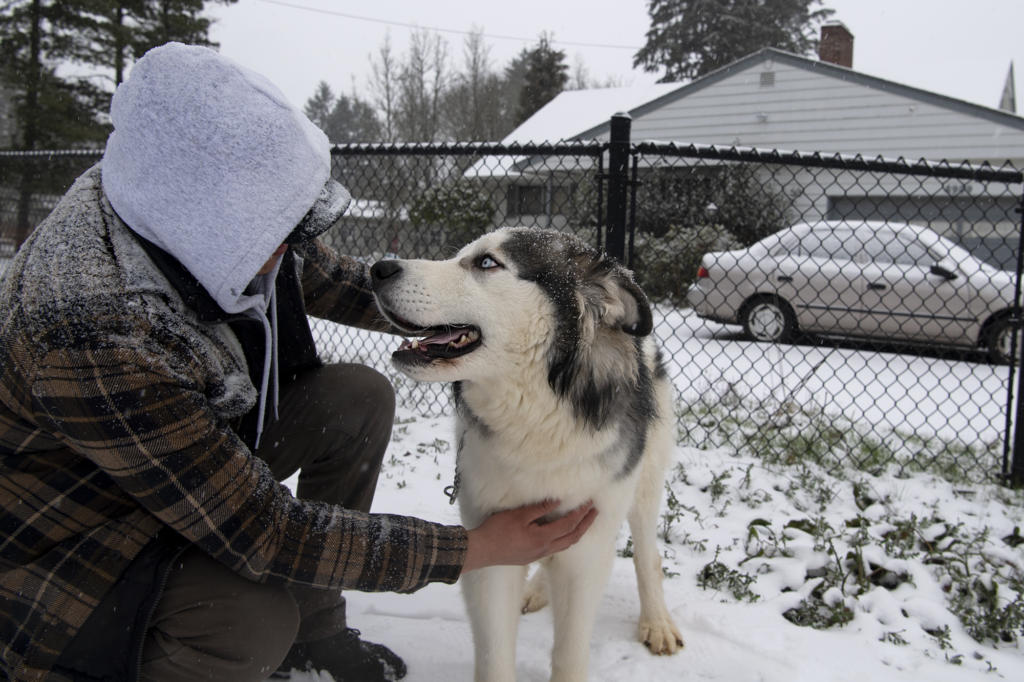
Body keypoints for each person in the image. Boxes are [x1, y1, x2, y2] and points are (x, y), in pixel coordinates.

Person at [0, 43, 597, 682]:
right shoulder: (90, 326)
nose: (294, 244)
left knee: (356, 397)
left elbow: (337, 278)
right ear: (207, 218)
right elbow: (263, 529)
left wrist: (492, 318)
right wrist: (476, 548)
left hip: (180, 455)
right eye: (278, 228)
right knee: (246, 623)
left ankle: (316, 629)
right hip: (68, 533)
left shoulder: (179, 198)